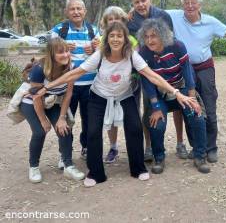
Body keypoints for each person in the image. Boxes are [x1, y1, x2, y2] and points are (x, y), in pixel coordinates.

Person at [37, 22, 198, 187]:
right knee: (92, 132)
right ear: (106, 39)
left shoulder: (131, 55)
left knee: (135, 128)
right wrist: (48, 86)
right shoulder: (100, 54)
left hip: (124, 96)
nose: (115, 39)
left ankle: (138, 168)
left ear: (125, 39)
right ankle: (95, 173)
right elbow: (76, 73)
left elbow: (152, 76)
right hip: (98, 96)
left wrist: (176, 93)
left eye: (119, 36)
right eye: (112, 36)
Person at [167, 0, 226, 163]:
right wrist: (130, 14)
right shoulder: (174, 16)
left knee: (209, 107)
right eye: (186, 3)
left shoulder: (210, 22)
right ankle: (197, 147)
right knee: (189, 107)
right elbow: (150, 12)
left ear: (199, 5)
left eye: (193, 2)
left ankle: (211, 148)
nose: (190, 6)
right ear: (182, 5)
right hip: (184, 69)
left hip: (205, 68)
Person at [137, 18, 210, 174]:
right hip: (159, 93)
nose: (150, 40)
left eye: (154, 36)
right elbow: (147, 81)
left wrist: (192, 98)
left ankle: (200, 156)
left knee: (197, 117)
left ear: (162, 35)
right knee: (156, 122)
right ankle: (159, 158)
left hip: (181, 88)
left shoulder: (177, 46)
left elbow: (187, 72)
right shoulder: (143, 52)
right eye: (147, 36)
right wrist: (155, 107)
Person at [128, 0, 189, 161]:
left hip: (168, 67)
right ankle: (148, 147)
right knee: (149, 108)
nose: (140, 4)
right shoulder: (131, 21)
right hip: (146, 69)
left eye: (143, 0)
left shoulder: (163, 15)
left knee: (177, 105)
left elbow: (170, 40)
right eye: (136, 2)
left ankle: (180, 143)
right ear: (132, 4)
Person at [21, 38, 85, 183]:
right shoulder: (40, 69)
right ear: (51, 55)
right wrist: (43, 120)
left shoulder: (71, 66)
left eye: (67, 51)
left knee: (64, 128)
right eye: (60, 52)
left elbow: (68, 94)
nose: (66, 55)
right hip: (31, 102)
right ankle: (34, 166)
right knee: (40, 131)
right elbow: (36, 97)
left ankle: (68, 165)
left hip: (52, 101)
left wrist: (62, 118)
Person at [51, 0, 99, 164]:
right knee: (66, 120)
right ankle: (65, 154)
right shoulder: (59, 31)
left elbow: (101, 56)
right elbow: (50, 55)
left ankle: (86, 147)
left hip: (90, 85)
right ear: (67, 12)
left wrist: (94, 50)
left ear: (85, 11)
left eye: (79, 9)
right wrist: (61, 46)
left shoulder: (94, 31)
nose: (76, 12)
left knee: (89, 119)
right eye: (72, 9)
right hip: (67, 86)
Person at [98, 6, 139, 164]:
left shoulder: (131, 40)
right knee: (110, 117)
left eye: (118, 19)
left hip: (128, 85)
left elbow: (136, 62)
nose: (114, 22)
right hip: (107, 86)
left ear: (123, 21)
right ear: (105, 22)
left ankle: (133, 148)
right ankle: (113, 147)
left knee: (131, 117)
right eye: (110, 19)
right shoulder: (100, 40)